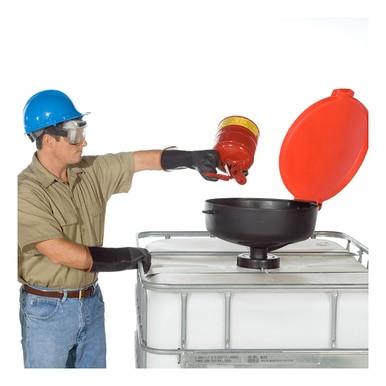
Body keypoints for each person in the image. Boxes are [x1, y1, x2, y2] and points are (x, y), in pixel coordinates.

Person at [18, 89, 220, 368]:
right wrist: (124, 257)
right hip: (48, 312)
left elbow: (137, 160)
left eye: (83, 130)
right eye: (75, 134)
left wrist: (191, 159)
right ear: (49, 140)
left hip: (90, 302)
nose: (84, 141)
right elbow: (60, 252)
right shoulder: (26, 191)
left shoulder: (89, 171)